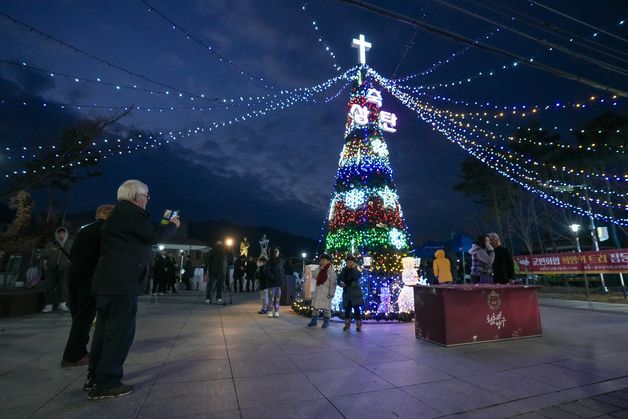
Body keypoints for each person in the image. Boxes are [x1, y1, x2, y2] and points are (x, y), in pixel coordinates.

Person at [86, 179, 179, 400]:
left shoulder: (118, 214)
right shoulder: (131, 214)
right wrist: (173, 225)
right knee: (119, 334)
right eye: (147, 196)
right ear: (137, 196)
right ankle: (107, 382)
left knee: (103, 333)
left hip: (109, 282)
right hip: (122, 282)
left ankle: (95, 378)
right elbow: (156, 235)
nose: (147, 200)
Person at [61, 204, 113, 367]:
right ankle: (74, 355)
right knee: (84, 317)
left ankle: (78, 350)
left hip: (74, 275)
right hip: (90, 278)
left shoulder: (83, 231)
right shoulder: (106, 231)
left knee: (78, 315)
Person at [41, 226, 73, 312]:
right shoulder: (51, 244)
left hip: (64, 268)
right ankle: (49, 305)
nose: (61, 235)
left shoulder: (71, 243)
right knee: (49, 286)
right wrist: (45, 265)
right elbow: (44, 255)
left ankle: (62, 304)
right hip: (51, 268)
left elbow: (75, 254)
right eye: (59, 233)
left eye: (63, 233)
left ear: (66, 234)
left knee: (63, 286)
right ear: (56, 234)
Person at [308, 254, 337, 329]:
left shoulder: (331, 270)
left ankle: (326, 321)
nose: (322, 262)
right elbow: (314, 275)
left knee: (326, 308)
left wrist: (331, 293)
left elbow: (333, 283)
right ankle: (314, 321)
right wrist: (319, 269)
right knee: (315, 307)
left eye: (324, 260)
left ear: (328, 261)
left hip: (326, 292)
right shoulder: (319, 268)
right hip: (318, 292)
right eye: (321, 260)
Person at [338, 255, 364, 332]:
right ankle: (347, 325)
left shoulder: (356, 270)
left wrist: (353, 268)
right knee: (347, 310)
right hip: (347, 294)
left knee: (357, 310)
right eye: (347, 262)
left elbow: (356, 276)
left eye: (350, 261)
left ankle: (358, 325)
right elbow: (339, 279)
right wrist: (340, 283)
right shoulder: (344, 271)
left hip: (355, 294)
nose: (348, 263)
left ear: (353, 263)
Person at [266, 248, 283, 318]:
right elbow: (267, 271)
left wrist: (282, 279)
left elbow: (282, 271)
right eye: (276, 252)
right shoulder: (269, 262)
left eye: (278, 251)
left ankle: (276, 311)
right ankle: (270, 311)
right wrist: (273, 277)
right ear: (273, 253)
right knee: (271, 298)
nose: (277, 253)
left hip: (278, 283)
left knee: (277, 298)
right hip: (272, 283)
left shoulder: (280, 261)